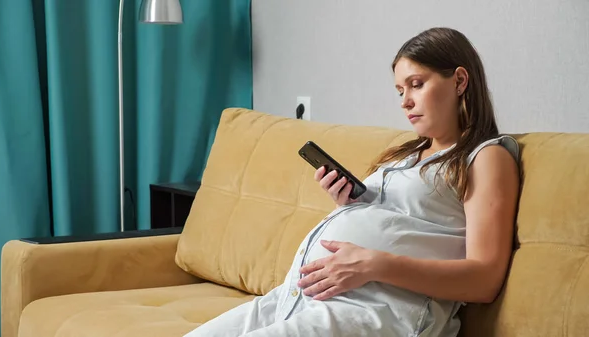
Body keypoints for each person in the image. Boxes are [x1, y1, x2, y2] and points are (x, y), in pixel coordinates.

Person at [185, 27, 521, 337]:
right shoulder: (405, 155)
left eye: (417, 84)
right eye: (400, 90)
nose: (405, 101)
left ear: (460, 81)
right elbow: (403, 225)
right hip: (295, 299)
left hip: (374, 312)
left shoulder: (484, 157)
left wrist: (374, 264)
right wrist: (350, 206)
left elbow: (484, 279)